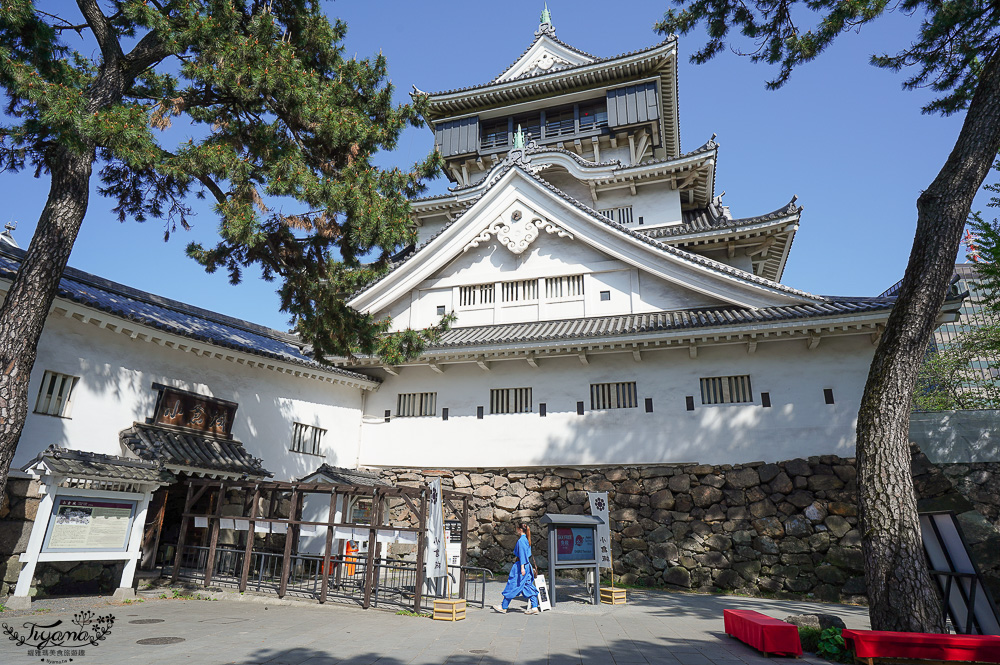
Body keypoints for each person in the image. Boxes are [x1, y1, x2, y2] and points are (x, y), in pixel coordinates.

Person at [493, 522, 540, 614]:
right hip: (527, 566)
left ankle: (503, 606)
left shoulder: (521, 541)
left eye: (517, 528)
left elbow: (522, 555)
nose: (516, 530)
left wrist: (522, 568)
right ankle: (534, 607)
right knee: (527, 585)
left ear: (520, 530)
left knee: (513, 584)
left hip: (521, 566)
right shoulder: (526, 539)